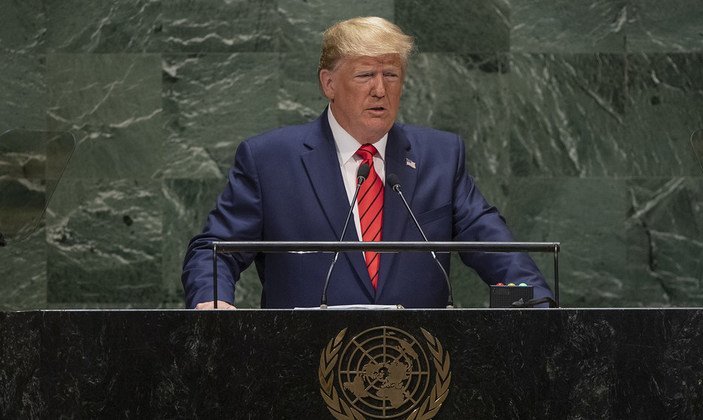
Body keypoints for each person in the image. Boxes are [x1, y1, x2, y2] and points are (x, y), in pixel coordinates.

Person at [182, 16, 553, 309]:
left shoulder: (439, 156)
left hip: (421, 377)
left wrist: (536, 299)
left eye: (391, 75)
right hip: (300, 374)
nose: (380, 89)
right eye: (365, 75)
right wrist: (212, 300)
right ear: (328, 83)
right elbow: (214, 251)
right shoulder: (270, 160)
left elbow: (494, 246)